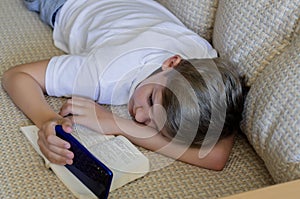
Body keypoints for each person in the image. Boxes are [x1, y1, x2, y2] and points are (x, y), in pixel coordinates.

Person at [2, 0, 244, 171]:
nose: (138, 116)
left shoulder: (206, 64)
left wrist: (117, 124)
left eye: (153, 125)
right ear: (171, 62)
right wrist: (46, 119)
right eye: (150, 99)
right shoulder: (105, 74)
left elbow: (216, 156)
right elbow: (17, 75)